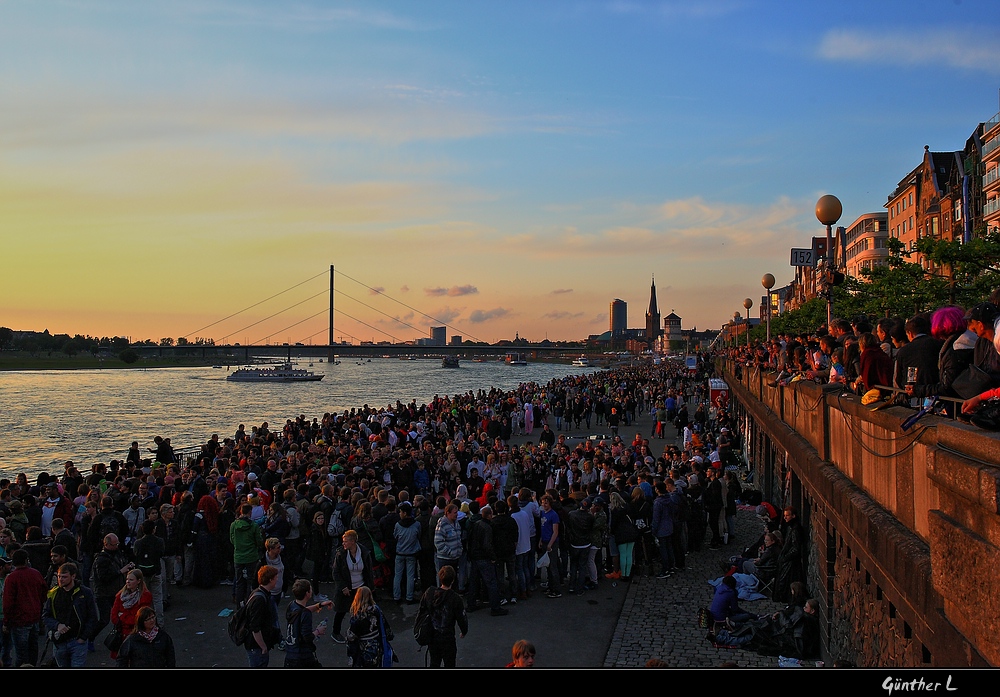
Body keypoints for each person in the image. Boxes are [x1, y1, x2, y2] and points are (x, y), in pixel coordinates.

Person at [42, 562, 99, 667]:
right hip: (59, 642)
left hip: (77, 640)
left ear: (73, 576)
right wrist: (57, 625)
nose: (61, 579)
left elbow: (92, 617)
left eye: (64, 577)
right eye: (59, 576)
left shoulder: (85, 593)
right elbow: (46, 615)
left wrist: (83, 637)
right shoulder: (53, 593)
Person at [417, 565, 468, 668]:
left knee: (434, 662)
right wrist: (464, 631)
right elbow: (461, 617)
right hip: (447, 637)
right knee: (449, 663)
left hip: (433, 636)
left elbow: (421, 611)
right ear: (453, 580)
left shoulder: (429, 593)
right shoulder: (455, 598)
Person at [3, 549, 48, 666]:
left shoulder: (11, 578)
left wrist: (6, 622)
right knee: (33, 650)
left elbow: (8, 602)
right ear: (26, 560)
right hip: (34, 617)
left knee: (21, 654)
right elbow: (44, 593)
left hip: (19, 620)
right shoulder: (36, 574)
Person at [330, 529, 374, 644]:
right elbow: (336, 572)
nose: (343, 543)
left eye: (345, 541)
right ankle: (335, 632)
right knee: (341, 611)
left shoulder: (364, 552)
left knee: (360, 611)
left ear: (353, 541)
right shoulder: (340, 553)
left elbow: (368, 571)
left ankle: (358, 631)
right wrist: (343, 587)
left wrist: (370, 587)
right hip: (346, 587)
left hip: (360, 586)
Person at [284, 578, 332, 668]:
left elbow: (303, 610)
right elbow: (307, 636)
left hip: (291, 653)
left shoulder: (292, 605)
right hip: (302, 656)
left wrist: (320, 605)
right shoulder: (305, 614)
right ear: (307, 593)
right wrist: (318, 631)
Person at [346, 586, 395, 667]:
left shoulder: (357, 615)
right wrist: (388, 637)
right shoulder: (376, 610)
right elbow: (385, 625)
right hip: (378, 644)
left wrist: (351, 654)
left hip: (364, 647)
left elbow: (352, 637)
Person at [109, 569, 153, 659]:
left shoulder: (145, 596)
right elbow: (114, 615)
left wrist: (122, 616)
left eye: (131, 580)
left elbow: (138, 618)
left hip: (136, 634)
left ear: (139, 581)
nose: (128, 582)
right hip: (121, 634)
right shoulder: (121, 595)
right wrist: (124, 618)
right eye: (127, 579)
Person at [243, 565, 281, 667]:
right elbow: (255, 627)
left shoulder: (258, 593)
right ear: (270, 580)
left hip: (255, 646)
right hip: (256, 647)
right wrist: (263, 646)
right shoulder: (260, 599)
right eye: (276, 578)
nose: (277, 580)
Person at [230, 503, 263, 604]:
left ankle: (239, 603)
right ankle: (249, 603)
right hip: (251, 556)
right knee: (250, 581)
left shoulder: (234, 525)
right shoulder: (254, 526)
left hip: (238, 556)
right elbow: (259, 541)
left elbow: (232, 540)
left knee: (239, 582)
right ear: (250, 512)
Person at [774, 506, 805, 602]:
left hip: (791, 562)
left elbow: (796, 548)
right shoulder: (791, 528)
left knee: (786, 581)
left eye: (787, 515)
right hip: (788, 559)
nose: (785, 518)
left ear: (793, 516)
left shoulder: (795, 530)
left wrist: (785, 558)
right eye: (784, 515)